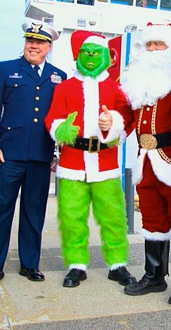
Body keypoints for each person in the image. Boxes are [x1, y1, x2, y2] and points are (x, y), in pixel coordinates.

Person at [44, 30, 136, 288]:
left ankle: (117, 264)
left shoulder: (115, 88)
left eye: (97, 53)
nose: (92, 58)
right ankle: (76, 265)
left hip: (105, 163)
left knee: (114, 216)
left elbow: (127, 119)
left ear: (106, 56)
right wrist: (61, 129)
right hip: (72, 162)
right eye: (87, 53)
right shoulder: (64, 87)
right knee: (72, 217)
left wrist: (112, 123)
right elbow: (52, 118)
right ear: (79, 56)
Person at [0, 20, 67, 289]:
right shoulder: (5, 69)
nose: (34, 45)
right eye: (30, 40)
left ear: (48, 47)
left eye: (40, 42)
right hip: (8, 155)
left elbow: (60, 118)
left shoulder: (59, 76)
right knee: (0, 212)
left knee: (34, 213)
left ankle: (30, 264)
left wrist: (58, 152)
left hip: (41, 157)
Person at [120, 24, 171, 305]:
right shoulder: (138, 82)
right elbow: (128, 118)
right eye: (149, 45)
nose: (153, 50)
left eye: (159, 45)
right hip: (146, 161)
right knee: (152, 221)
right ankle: (154, 276)